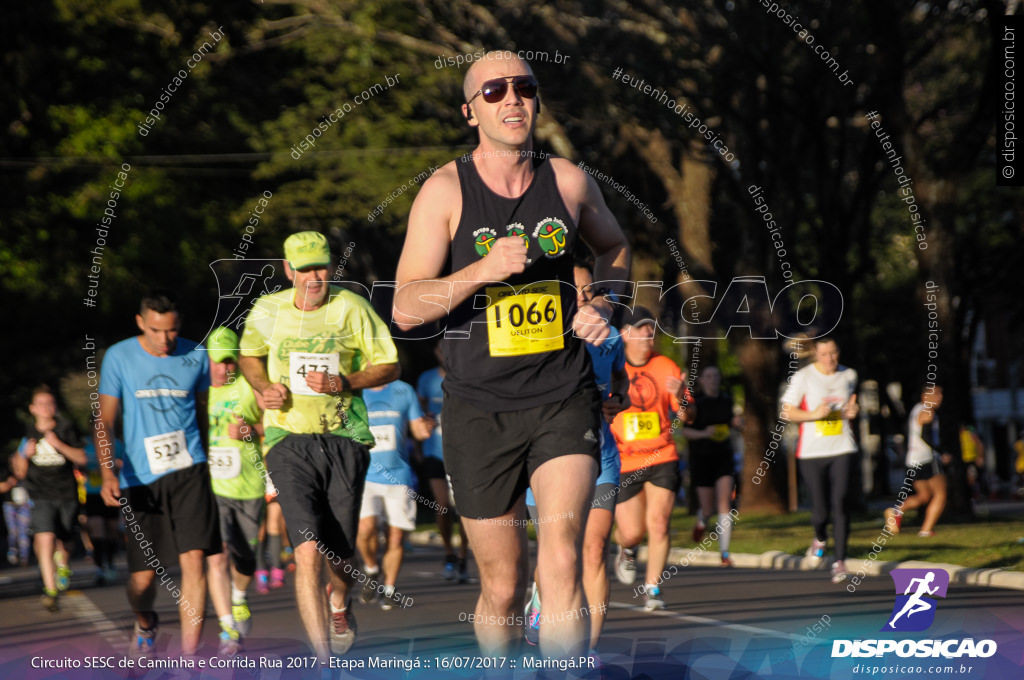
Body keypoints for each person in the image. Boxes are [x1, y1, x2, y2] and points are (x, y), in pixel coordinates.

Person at [392, 50, 630, 658]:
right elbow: (406, 307)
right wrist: (483, 268)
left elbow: (616, 250)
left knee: (561, 558)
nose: (512, 99)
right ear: (470, 111)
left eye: (523, 87)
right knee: (503, 585)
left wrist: (601, 304)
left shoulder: (569, 180)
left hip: (562, 396)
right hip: (478, 407)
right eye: (494, 91)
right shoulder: (444, 191)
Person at [239, 231, 399, 661]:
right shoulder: (267, 310)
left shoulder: (351, 308)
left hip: (344, 437)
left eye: (321, 266)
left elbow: (390, 364)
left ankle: (339, 604)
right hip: (287, 438)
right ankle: (324, 662)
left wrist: (344, 382)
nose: (315, 276)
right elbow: (249, 355)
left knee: (340, 555)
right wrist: (261, 388)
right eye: (305, 268)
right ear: (288, 270)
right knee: (308, 550)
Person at [95, 292, 220, 657]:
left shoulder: (196, 355)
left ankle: (189, 657)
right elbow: (104, 421)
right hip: (140, 479)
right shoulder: (119, 356)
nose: (165, 339)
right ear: (140, 322)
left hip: (189, 469)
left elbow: (202, 415)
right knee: (143, 579)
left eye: (171, 331)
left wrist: (210, 461)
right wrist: (106, 473)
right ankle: (145, 620)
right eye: (155, 330)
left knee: (194, 559)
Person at [523, 262, 630, 654]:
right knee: (558, 552)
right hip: (549, 462)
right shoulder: (540, 338)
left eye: (589, 291)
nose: (583, 298)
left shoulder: (611, 337)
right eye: (575, 291)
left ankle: (588, 652)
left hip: (600, 457)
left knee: (593, 550)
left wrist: (618, 401)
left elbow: (621, 382)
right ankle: (541, 594)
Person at [610, 307, 692, 611]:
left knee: (659, 524)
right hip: (625, 461)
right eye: (640, 329)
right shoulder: (611, 367)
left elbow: (689, 415)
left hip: (662, 456)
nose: (647, 335)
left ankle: (653, 587)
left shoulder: (666, 366)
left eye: (650, 329)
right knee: (632, 531)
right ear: (624, 334)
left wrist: (682, 395)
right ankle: (627, 549)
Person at [205, 326, 267, 655]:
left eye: (231, 362)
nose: (225, 368)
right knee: (218, 553)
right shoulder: (200, 392)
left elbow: (274, 424)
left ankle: (239, 595)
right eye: (219, 362)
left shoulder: (248, 387)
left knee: (245, 559)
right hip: (211, 487)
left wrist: (250, 429)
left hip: (248, 485)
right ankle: (228, 626)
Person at [780, 336, 859, 584]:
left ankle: (840, 562)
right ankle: (820, 538)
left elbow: (850, 407)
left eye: (834, 353)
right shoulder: (803, 377)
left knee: (840, 503)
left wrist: (852, 413)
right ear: (815, 354)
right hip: (812, 452)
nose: (830, 359)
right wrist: (813, 415)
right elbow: (786, 411)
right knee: (821, 511)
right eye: (824, 354)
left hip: (842, 447)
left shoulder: (849, 375)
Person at [357, 378, 433, 609]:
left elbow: (418, 432)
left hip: (398, 474)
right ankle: (371, 568)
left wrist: (425, 428)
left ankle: (389, 588)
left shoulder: (404, 389)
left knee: (396, 536)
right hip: (365, 474)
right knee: (365, 529)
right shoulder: (356, 390)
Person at [10, 386, 86, 611]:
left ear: (54, 407)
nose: (45, 408)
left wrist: (59, 444)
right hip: (40, 494)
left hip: (66, 494)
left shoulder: (66, 429)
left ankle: (63, 565)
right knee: (44, 537)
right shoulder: (28, 433)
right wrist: (25, 455)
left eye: (49, 403)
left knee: (66, 540)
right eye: (40, 404)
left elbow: (82, 458)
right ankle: (50, 590)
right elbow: (21, 472)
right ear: (33, 409)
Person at [416, 345, 471, 582]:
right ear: (435, 352)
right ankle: (449, 553)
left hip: (463, 453)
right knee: (442, 506)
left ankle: (462, 556)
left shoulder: (466, 373)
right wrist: (420, 436)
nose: (444, 353)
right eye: (439, 350)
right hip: (434, 452)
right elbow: (417, 413)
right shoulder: (427, 379)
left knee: (465, 509)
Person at [683, 365, 742, 567]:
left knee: (725, 501)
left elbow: (735, 424)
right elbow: (685, 432)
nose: (713, 379)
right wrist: (704, 434)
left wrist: (737, 423)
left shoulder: (727, 400)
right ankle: (701, 522)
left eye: (716, 376)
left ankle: (725, 553)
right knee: (707, 509)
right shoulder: (696, 403)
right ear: (701, 380)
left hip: (724, 456)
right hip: (702, 458)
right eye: (708, 376)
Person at [885, 385, 949, 537]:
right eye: (936, 394)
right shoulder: (928, 411)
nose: (940, 397)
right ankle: (926, 530)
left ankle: (895, 512)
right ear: (925, 396)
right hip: (927, 459)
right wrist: (942, 453)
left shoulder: (916, 409)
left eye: (941, 394)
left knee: (924, 496)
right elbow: (925, 436)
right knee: (941, 495)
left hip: (912, 460)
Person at [81, 437, 125, 585]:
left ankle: (110, 562)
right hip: (93, 493)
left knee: (112, 530)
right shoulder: (86, 445)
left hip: (113, 490)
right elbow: (78, 466)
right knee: (96, 529)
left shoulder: (116, 444)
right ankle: (99, 567)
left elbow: (126, 462)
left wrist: (117, 465)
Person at [2, 452, 31, 568]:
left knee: (24, 531)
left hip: (23, 505)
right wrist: (9, 483)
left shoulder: (27, 472)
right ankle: (13, 552)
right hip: (10, 504)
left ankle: (24, 557)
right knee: (13, 531)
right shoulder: (6, 472)